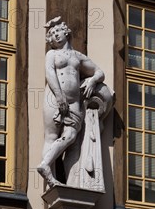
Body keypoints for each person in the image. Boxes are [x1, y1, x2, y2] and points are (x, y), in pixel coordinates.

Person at [37, 17, 106, 188]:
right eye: (52, 35)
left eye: (57, 31)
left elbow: (99, 72)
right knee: (51, 136)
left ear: (66, 32)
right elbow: (50, 74)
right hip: (54, 98)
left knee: (71, 136)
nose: (55, 36)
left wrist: (92, 81)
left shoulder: (78, 56)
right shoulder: (52, 54)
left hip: (75, 103)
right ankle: (48, 175)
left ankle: (45, 164)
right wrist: (60, 97)